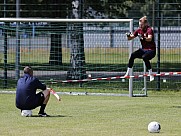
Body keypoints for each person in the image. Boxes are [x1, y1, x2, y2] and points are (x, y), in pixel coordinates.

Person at [124, 16, 156, 81]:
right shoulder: (138, 30)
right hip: (143, 49)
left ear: (145, 24)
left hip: (151, 50)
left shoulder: (149, 30)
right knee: (132, 55)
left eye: (141, 25)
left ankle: (151, 74)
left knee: (144, 57)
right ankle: (128, 73)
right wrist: (128, 35)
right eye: (139, 25)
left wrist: (143, 38)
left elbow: (149, 39)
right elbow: (130, 38)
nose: (140, 26)